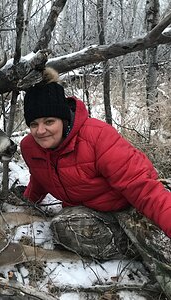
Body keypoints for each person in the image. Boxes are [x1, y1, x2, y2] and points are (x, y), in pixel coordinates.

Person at [20, 67, 171, 297]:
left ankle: (145, 242)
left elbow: (144, 189)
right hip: (94, 212)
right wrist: (27, 201)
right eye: (34, 124)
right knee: (62, 227)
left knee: (164, 251)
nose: (41, 131)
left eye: (49, 121)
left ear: (62, 117)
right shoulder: (30, 147)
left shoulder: (98, 137)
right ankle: (132, 247)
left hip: (132, 205)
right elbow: (40, 177)